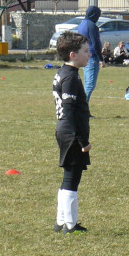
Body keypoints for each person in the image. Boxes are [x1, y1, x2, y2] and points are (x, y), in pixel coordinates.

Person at [52, 31, 92, 234]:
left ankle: (60, 221)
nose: (89, 54)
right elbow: (69, 110)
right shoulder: (70, 78)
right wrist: (82, 140)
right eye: (85, 51)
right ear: (72, 55)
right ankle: (69, 224)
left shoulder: (64, 73)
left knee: (69, 175)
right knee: (72, 177)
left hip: (66, 130)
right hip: (70, 131)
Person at [75, 6, 103, 100]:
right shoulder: (91, 25)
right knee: (90, 84)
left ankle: (83, 109)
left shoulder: (82, 24)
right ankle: (82, 109)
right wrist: (101, 59)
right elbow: (95, 43)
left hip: (84, 55)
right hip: (92, 56)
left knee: (87, 83)